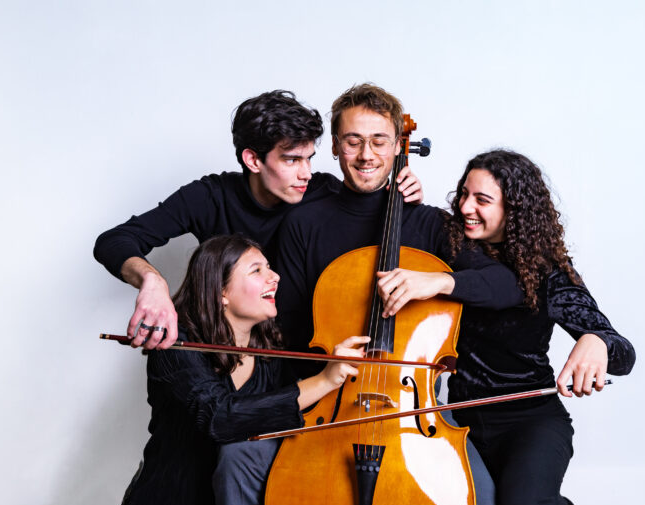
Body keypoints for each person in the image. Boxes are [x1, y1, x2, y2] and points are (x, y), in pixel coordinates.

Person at [272, 84, 524, 505]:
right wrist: (326, 369)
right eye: (353, 141)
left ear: (396, 148)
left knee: (481, 500)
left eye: (379, 141)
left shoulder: (429, 224)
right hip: (330, 400)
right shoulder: (303, 222)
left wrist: (437, 283)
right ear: (334, 147)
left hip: (414, 409)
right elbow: (286, 326)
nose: (366, 155)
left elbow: (507, 285)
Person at [376, 150, 637, 505]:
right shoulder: (448, 243)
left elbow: (624, 354)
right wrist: (401, 195)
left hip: (530, 422)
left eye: (482, 200)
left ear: (514, 209)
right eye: (464, 194)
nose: (466, 207)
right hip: (458, 420)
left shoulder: (547, 272)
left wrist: (598, 340)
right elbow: (382, 223)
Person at [93, 90, 422, 350]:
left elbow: (369, 210)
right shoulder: (208, 197)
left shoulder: (322, 190)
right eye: (292, 160)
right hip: (223, 353)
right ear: (253, 160)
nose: (306, 173)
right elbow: (114, 241)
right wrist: (153, 282)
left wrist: (402, 192)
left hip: (296, 357)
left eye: (309, 158)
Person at [121, 234, 368, 505]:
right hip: (171, 502)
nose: (274, 277)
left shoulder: (269, 349)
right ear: (221, 292)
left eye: (269, 267)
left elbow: (285, 423)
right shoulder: (176, 344)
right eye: (257, 270)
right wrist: (324, 380)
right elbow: (219, 417)